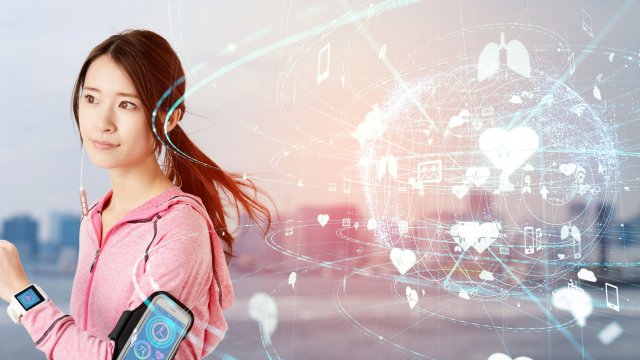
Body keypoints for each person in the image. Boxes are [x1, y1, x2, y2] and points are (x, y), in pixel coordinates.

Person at [0, 29, 272, 359]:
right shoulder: (96, 219)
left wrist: (22, 294)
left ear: (169, 119)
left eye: (127, 104)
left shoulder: (180, 230)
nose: (102, 121)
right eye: (91, 99)